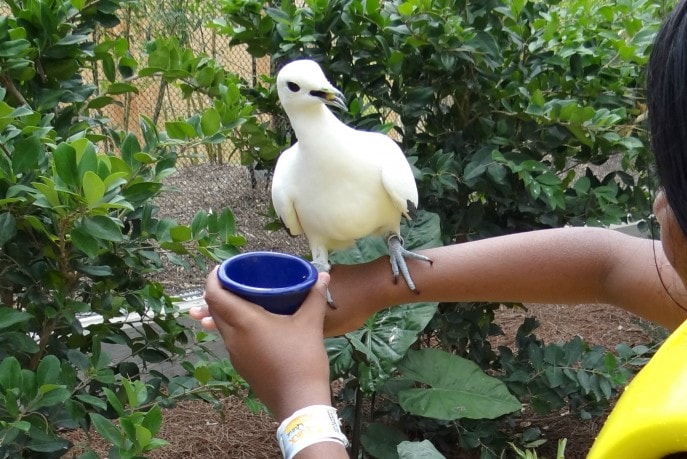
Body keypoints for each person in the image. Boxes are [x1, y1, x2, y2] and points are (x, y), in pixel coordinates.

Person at [190, 1, 687, 456]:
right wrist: (368, 288)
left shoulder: (671, 436)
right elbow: (605, 264)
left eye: (671, 177)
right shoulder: (288, 173)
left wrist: (300, 408)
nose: (660, 201)